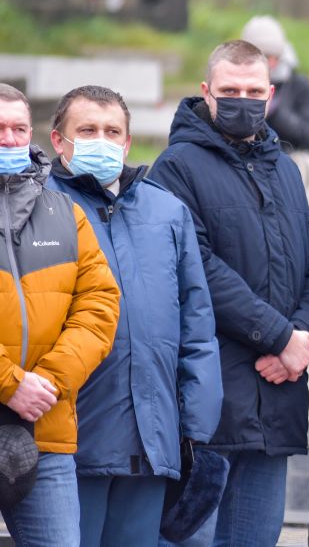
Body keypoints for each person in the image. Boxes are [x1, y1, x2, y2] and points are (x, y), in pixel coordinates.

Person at [150, 40, 309, 547]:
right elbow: (198, 267)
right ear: (206, 92)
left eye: (254, 91)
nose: (243, 100)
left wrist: (304, 339)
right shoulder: (176, 168)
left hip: (276, 400)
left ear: (271, 95)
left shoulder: (287, 170)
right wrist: (278, 336)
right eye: (230, 90)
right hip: (211, 406)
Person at [46, 85, 223, 547]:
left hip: (152, 441)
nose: (100, 140)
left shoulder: (166, 211)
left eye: (111, 131)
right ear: (57, 140)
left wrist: (196, 426)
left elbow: (197, 324)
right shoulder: (39, 208)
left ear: (127, 143)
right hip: (71, 441)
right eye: (87, 130)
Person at [0, 83, 120, 546]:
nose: (10, 139)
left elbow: (99, 306)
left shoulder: (65, 213)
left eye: (18, 128)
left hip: (44, 433)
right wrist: (10, 383)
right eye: (0, 129)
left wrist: (46, 383)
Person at [241, 15, 309, 217]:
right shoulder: (237, 85)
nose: (270, 63)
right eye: (262, 56)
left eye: (274, 56)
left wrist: (275, 112)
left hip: (289, 165)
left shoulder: (298, 85)